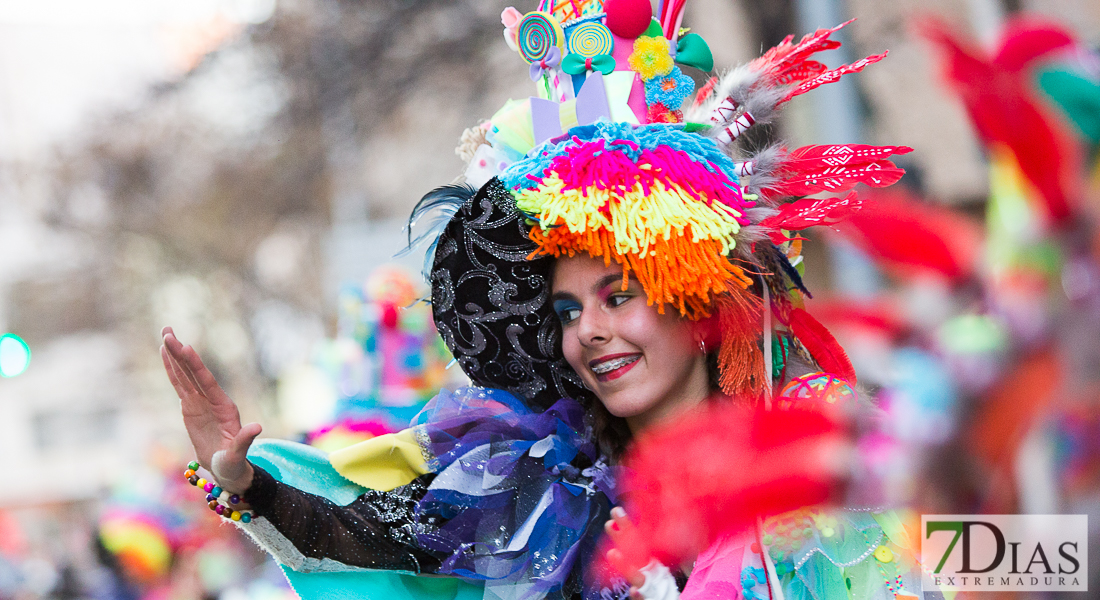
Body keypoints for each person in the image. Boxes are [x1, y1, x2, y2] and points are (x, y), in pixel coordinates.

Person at [161, 4, 928, 599]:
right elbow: (370, 535)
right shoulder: (548, 486)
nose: (589, 331)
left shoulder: (819, 446)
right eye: (566, 313)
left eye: (617, 296)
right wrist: (243, 484)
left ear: (695, 297)